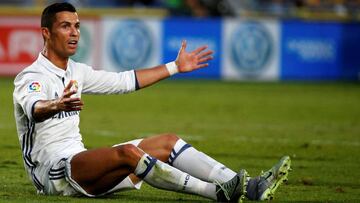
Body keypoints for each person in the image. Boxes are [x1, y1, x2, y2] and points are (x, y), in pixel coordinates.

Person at [13, 2, 291, 202]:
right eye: (65, 26)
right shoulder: (32, 76)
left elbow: (124, 81)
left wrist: (175, 67)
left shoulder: (77, 71)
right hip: (53, 174)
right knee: (128, 153)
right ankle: (216, 193)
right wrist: (56, 105)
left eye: (76, 26)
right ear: (46, 33)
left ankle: (249, 187)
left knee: (168, 141)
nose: (74, 33)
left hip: (82, 165)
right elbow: (35, 109)